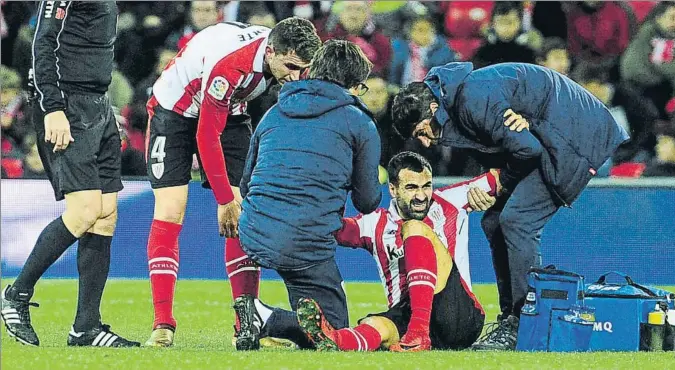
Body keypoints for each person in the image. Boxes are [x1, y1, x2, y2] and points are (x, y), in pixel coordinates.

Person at [391, 62, 629, 350]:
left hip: (574, 135)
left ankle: (523, 322)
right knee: (493, 222)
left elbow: (527, 149)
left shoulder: (473, 99)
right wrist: (493, 181)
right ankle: (510, 319)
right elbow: (502, 144)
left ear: (431, 110)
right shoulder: (455, 100)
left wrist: (501, 183)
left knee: (517, 220)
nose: (426, 143)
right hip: (550, 133)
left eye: (422, 132)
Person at [143, 17, 321, 347]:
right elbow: (207, 134)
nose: (297, 76)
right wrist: (224, 198)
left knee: (247, 213)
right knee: (171, 210)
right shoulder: (233, 66)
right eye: (292, 67)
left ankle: (248, 321)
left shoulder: (283, 53)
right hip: (175, 111)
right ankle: (163, 323)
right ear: (271, 52)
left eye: (304, 69)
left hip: (229, 110)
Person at [1, 1, 139, 347]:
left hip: (98, 104)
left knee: (105, 216)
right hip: (67, 105)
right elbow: (43, 42)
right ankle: (16, 294)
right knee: (86, 211)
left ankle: (86, 328)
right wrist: (53, 108)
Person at [235, 39, 382, 350]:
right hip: (305, 240)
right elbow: (367, 201)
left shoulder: (274, 112)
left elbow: (246, 183)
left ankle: (269, 317)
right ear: (355, 85)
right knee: (335, 333)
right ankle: (264, 316)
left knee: (312, 310)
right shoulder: (358, 122)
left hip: (254, 229)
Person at [296, 151, 496, 352]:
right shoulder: (374, 223)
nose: (421, 196)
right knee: (375, 324)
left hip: (459, 315)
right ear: (393, 189)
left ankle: (418, 333)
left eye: (426, 186)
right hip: (407, 316)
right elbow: (331, 228)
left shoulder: (450, 200)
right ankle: (334, 339)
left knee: (414, 227)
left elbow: (504, 177)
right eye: (411, 187)